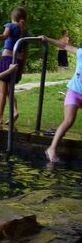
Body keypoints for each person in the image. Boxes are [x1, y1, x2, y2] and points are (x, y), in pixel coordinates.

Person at [42, 33, 81, 163]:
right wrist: (47, 38)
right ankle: (52, 149)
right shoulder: (80, 52)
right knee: (68, 121)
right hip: (74, 92)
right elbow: (63, 45)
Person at [0, 6, 27, 125]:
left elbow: (4, 36)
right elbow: (25, 50)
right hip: (18, 61)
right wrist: (22, 65)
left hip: (7, 59)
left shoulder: (11, 26)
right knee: (9, 89)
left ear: (12, 17)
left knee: (3, 90)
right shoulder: (25, 31)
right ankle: (14, 111)